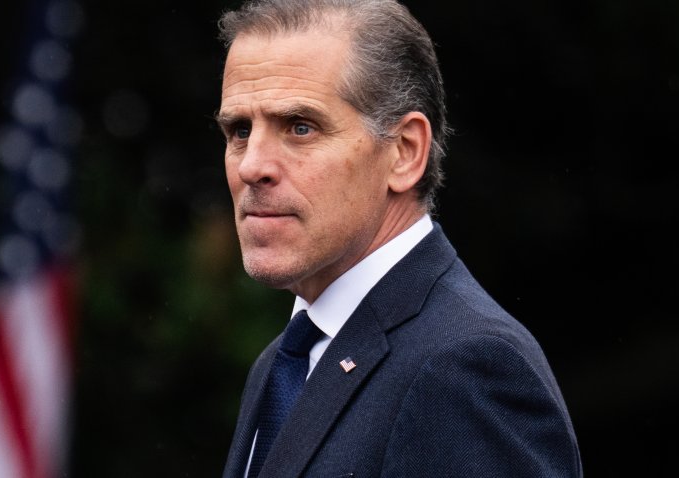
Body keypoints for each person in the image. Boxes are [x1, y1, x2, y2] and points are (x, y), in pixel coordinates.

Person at [215, 1, 582, 476]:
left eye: (300, 127)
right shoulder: (283, 363)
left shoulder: (464, 367)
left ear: (405, 153)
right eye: (239, 130)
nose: (251, 166)